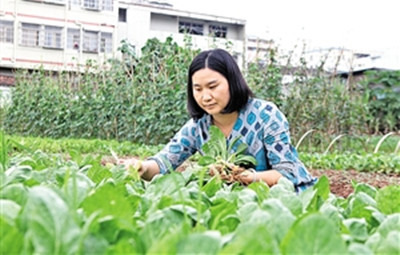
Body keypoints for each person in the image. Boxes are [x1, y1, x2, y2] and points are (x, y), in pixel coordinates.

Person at [120, 48, 317, 192]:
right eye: (198, 89)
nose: (205, 97)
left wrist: (248, 177)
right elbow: (164, 162)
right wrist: (142, 167)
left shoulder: (266, 115)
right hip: (239, 201)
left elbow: (287, 173)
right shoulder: (199, 126)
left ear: (232, 82)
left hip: (288, 199)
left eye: (212, 87)